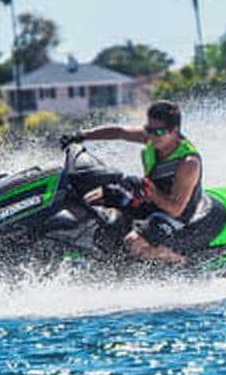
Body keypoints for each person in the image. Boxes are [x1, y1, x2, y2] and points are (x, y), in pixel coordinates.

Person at [60, 100, 216, 266]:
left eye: (157, 132)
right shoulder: (153, 138)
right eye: (149, 129)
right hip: (152, 202)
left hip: (177, 216)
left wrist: (146, 187)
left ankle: (184, 264)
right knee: (95, 199)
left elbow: (176, 209)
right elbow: (119, 132)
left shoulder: (188, 163)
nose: (151, 136)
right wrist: (81, 136)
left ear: (174, 131)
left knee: (133, 242)